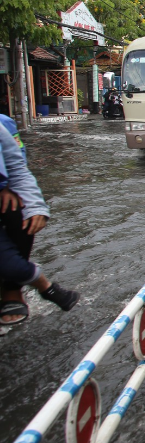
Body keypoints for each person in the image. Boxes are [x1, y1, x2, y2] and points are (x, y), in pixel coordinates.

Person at [0, 119, 79, 325]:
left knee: (19, 209)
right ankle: (43, 286)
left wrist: (33, 205)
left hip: (8, 202)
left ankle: (13, 289)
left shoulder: (3, 126)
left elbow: (17, 168)